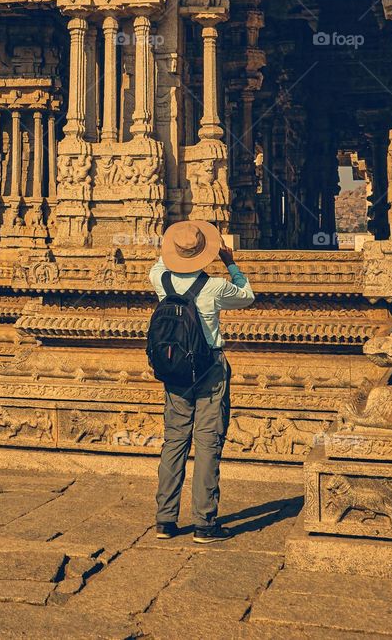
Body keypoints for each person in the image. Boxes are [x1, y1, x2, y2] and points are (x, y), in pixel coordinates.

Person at [149, 219, 254, 543]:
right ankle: (204, 523)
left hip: (175, 372)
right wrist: (230, 262)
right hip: (210, 371)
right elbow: (247, 295)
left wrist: (174, 247)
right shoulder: (216, 287)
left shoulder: (159, 279)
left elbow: (162, 261)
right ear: (203, 254)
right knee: (207, 444)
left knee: (174, 441)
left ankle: (165, 520)